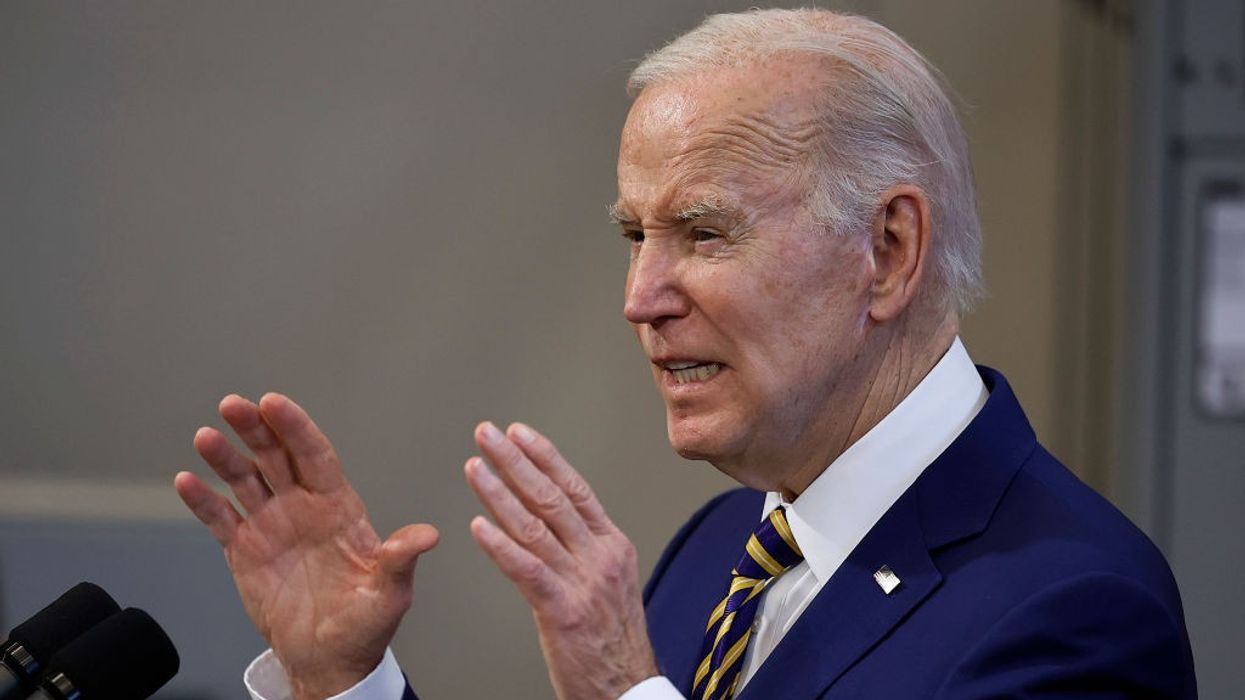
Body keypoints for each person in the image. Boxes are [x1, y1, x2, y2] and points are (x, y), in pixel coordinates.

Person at [174, 8, 1197, 700]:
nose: (640, 299)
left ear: (887, 251)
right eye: (635, 235)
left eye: (704, 233)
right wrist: (344, 682)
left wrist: (625, 691)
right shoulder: (718, 549)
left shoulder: (1076, 612)